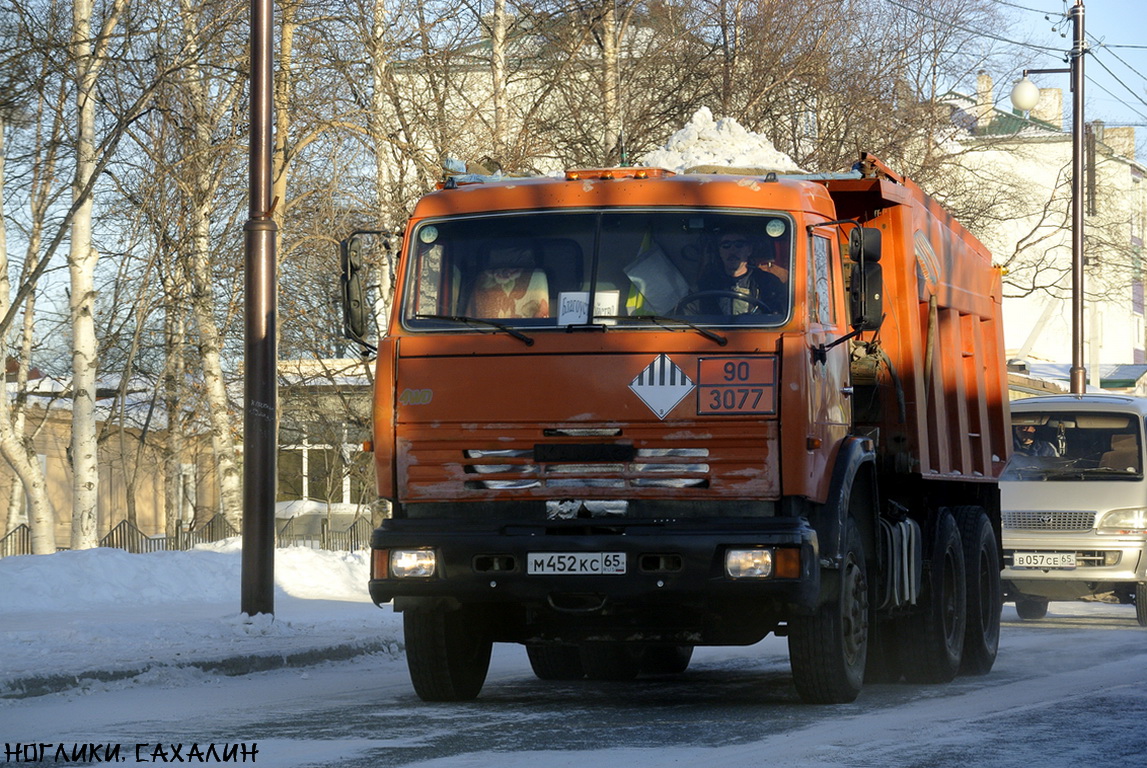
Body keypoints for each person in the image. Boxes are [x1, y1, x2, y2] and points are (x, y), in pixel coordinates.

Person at [695, 230, 786, 315]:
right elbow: (690, 313)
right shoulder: (707, 283)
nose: (732, 250)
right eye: (726, 245)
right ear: (719, 251)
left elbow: (778, 315)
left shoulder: (768, 283)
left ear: (749, 250)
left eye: (739, 245)